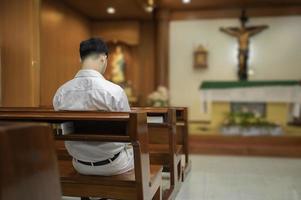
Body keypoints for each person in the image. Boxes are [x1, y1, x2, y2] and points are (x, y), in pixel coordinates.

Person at [53, 37, 133, 176]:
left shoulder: (61, 92)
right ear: (103, 58)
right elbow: (130, 130)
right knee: (142, 152)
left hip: (79, 164)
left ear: (80, 59)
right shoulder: (115, 92)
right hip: (114, 164)